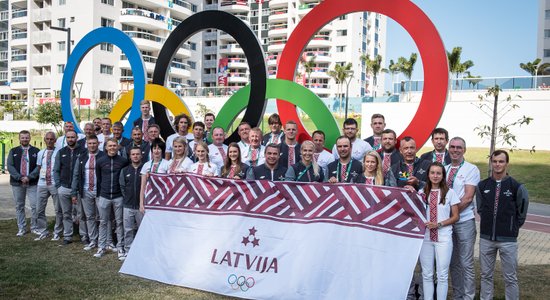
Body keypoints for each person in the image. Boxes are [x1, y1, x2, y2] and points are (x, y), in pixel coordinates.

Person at [476, 150, 529, 300]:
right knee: (485, 275)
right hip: (486, 239)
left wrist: (512, 227)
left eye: (501, 161)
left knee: (510, 277)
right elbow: (481, 209)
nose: (497, 164)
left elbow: (522, 212)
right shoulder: (482, 185)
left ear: (507, 163)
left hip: (508, 240)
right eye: (495, 161)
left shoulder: (516, 187)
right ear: (491, 162)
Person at [418, 162, 460, 300]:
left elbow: (455, 216)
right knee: (427, 274)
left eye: (438, 173)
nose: (435, 176)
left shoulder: (450, 192)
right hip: (426, 238)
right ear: (428, 174)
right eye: (432, 173)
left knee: (442, 275)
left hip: (444, 238)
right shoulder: (422, 192)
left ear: (443, 175)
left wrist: (439, 224)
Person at [446, 137, 480, 300]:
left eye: (459, 147)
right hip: (447, 224)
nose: (455, 150)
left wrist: (451, 215)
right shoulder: (444, 168)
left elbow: (467, 197)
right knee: (453, 263)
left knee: (466, 263)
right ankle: (458, 296)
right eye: (452, 147)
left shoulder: (471, 169)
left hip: (464, 221)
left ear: (464, 150)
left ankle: (468, 296)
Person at [94, 138, 129, 259]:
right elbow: (99, 178)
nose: (112, 148)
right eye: (110, 146)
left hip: (118, 196)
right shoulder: (100, 161)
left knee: (119, 222)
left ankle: (120, 247)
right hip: (104, 196)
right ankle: (101, 247)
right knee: (103, 222)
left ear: (118, 147)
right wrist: (100, 193)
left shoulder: (123, 161)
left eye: (114, 145)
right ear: (105, 147)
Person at [71, 135, 105, 251]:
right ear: (86, 144)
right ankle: (93, 240)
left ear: (98, 143)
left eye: (94, 143)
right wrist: (74, 192)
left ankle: (103, 240)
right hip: (85, 191)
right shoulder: (81, 157)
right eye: (90, 143)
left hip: (100, 191)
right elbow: (76, 175)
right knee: (89, 217)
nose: (92, 145)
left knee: (102, 217)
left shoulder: (103, 156)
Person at [53, 130, 84, 244]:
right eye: (68, 137)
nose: (71, 139)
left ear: (77, 138)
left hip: (79, 188)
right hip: (64, 187)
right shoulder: (61, 152)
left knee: (81, 213)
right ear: (66, 138)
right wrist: (58, 185)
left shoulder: (83, 151)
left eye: (73, 137)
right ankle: (68, 236)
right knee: (66, 213)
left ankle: (83, 235)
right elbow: (56, 170)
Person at [7, 130, 40, 237]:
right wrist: (20, 177)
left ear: (30, 138)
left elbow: (38, 167)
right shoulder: (13, 151)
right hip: (17, 183)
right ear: (19, 138)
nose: (25, 139)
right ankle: (22, 228)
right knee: (19, 206)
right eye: (23, 137)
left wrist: (29, 177)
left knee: (35, 206)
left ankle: (34, 227)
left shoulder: (36, 151)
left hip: (33, 182)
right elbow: (10, 166)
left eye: (26, 137)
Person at [119, 147, 145, 261]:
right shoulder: (125, 170)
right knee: (128, 229)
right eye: (133, 154)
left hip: (141, 206)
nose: (135, 156)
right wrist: (127, 198)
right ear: (130, 156)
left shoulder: (145, 170)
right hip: (128, 206)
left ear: (141, 155)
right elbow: (122, 187)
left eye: (137, 154)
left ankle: (141, 250)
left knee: (142, 230)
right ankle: (128, 250)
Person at [35, 132, 60, 241]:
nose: (49, 141)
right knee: (39, 209)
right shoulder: (41, 153)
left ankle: (57, 231)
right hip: (42, 183)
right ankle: (43, 231)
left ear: (55, 140)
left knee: (58, 209)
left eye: (51, 139)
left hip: (54, 183)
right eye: (47, 139)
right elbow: (39, 167)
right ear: (44, 140)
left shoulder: (58, 152)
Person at [140, 138, 170, 213]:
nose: (156, 151)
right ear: (151, 150)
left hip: (163, 198)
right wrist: (141, 203)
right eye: (154, 148)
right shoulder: (146, 165)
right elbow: (143, 186)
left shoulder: (167, 164)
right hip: (149, 197)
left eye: (159, 148)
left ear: (162, 150)